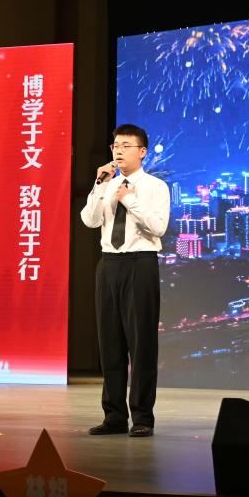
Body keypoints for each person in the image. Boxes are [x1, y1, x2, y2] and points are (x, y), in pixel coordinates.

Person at [80, 124, 170, 437]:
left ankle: (142, 417)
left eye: (125, 146)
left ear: (142, 151)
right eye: (115, 145)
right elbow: (89, 220)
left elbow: (159, 227)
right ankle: (114, 416)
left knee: (141, 343)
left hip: (140, 263)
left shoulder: (156, 186)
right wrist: (98, 185)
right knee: (110, 342)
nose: (118, 150)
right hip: (109, 264)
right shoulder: (107, 184)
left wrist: (130, 200)